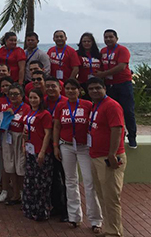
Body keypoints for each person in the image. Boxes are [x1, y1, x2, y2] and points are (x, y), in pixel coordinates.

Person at [52, 78, 102, 232]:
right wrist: (55, 146)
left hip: (84, 147)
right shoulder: (61, 106)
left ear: (79, 90)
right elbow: (57, 126)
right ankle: (74, 217)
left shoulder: (88, 105)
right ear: (64, 90)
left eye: (73, 88)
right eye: (67, 88)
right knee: (70, 181)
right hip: (66, 146)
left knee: (89, 182)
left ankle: (95, 220)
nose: (70, 91)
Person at [87, 77, 127, 237]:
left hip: (108, 158)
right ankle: (110, 229)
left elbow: (117, 130)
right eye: (91, 89)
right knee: (102, 195)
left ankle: (115, 232)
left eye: (98, 88)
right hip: (96, 156)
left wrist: (112, 154)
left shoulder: (112, 106)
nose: (94, 91)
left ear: (104, 88)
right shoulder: (96, 105)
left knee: (111, 197)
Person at [96, 29, 137, 149]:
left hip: (123, 84)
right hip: (109, 85)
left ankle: (132, 137)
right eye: (106, 37)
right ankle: (118, 136)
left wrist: (103, 74)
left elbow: (121, 66)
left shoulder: (122, 50)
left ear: (116, 38)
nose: (108, 39)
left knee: (128, 111)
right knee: (112, 112)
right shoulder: (103, 51)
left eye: (110, 37)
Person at [22, 88, 53, 221]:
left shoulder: (45, 114)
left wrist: (42, 152)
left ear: (41, 99)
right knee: (30, 181)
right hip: (30, 151)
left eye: (35, 98)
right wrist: (24, 144)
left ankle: (42, 211)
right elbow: (27, 131)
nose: (33, 100)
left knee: (41, 184)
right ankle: (30, 208)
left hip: (41, 152)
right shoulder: (30, 112)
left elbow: (48, 134)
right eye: (31, 97)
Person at [0, 84, 30, 206]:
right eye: (11, 94)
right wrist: (6, 115)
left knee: (21, 166)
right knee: (10, 166)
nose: (13, 97)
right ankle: (15, 194)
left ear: (22, 96)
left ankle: (23, 194)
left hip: (20, 139)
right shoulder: (8, 108)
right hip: (8, 137)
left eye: (16, 94)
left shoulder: (27, 108)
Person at [45, 77, 69, 221]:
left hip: (63, 144)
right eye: (47, 86)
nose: (50, 89)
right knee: (52, 178)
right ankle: (56, 206)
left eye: (53, 86)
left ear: (60, 88)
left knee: (66, 178)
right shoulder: (43, 101)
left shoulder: (66, 102)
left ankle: (68, 209)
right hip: (47, 145)